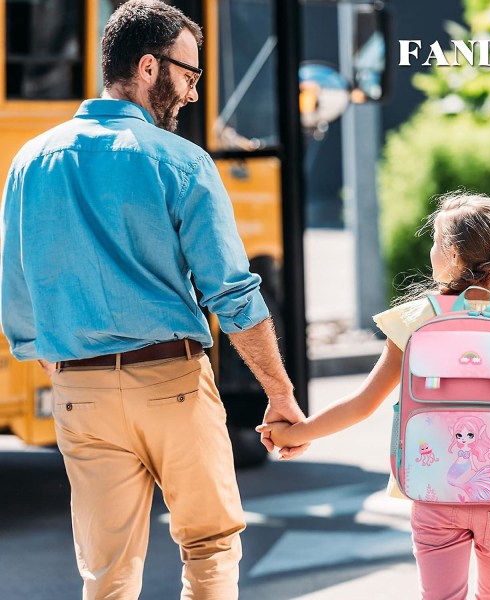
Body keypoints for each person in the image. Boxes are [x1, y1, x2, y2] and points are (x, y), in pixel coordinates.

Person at [0, 1, 306, 598]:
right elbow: (233, 294)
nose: (192, 92)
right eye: (189, 74)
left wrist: (66, 367)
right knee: (210, 547)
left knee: (107, 572)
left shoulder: (29, 162)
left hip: (79, 393)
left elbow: (17, 291)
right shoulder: (182, 162)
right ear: (148, 66)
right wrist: (279, 393)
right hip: (170, 381)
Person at [258, 192, 490, 599]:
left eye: (436, 241)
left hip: (433, 491)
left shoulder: (416, 320)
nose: (432, 249)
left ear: (453, 253)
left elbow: (363, 403)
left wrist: (293, 434)